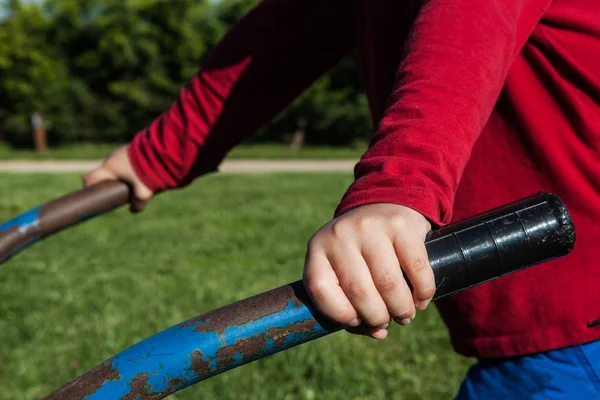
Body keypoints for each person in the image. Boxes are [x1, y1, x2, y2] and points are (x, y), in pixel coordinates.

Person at [83, 1, 600, 398]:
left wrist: (399, 183)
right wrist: (156, 155)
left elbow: (471, 16)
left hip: (581, 310)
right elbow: (281, 39)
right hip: (540, 321)